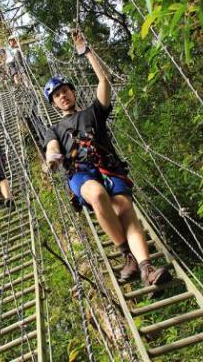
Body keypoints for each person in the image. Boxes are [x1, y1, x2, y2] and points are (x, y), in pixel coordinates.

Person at [43, 31, 170, 287]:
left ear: (73, 92)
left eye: (65, 90)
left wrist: (86, 52)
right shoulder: (54, 129)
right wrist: (53, 159)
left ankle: (146, 269)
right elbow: (53, 147)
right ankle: (127, 256)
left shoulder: (94, 112)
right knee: (98, 195)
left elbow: (104, 81)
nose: (63, 96)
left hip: (109, 167)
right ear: (54, 103)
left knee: (126, 211)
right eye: (57, 95)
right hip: (81, 173)